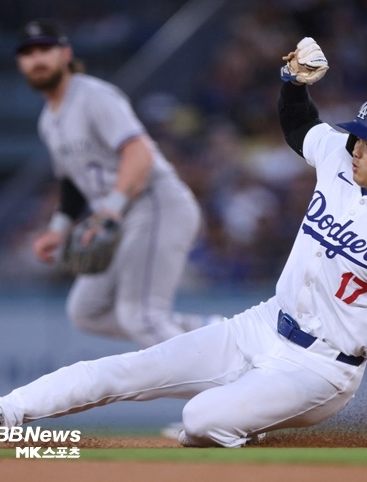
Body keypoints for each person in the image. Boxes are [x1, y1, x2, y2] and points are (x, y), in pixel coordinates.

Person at [0, 37, 367, 449]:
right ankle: (1, 414)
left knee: (199, 419)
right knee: (126, 369)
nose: (356, 147)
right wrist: (292, 82)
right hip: (259, 325)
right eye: (357, 137)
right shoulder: (340, 160)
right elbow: (300, 126)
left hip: (322, 370)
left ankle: (243, 427)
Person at [15, 19, 220, 347]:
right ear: (20, 63)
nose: (37, 59)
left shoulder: (94, 96)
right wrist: (57, 229)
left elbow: (139, 154)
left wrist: (110, 210)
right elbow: (71, 184)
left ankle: (225, 386)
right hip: (117, 218)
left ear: (66, 54)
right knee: (86, 311)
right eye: (28, 53)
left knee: (140, 316)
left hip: (154, 203)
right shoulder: (48, 122)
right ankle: (213, 334)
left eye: (45, 50)